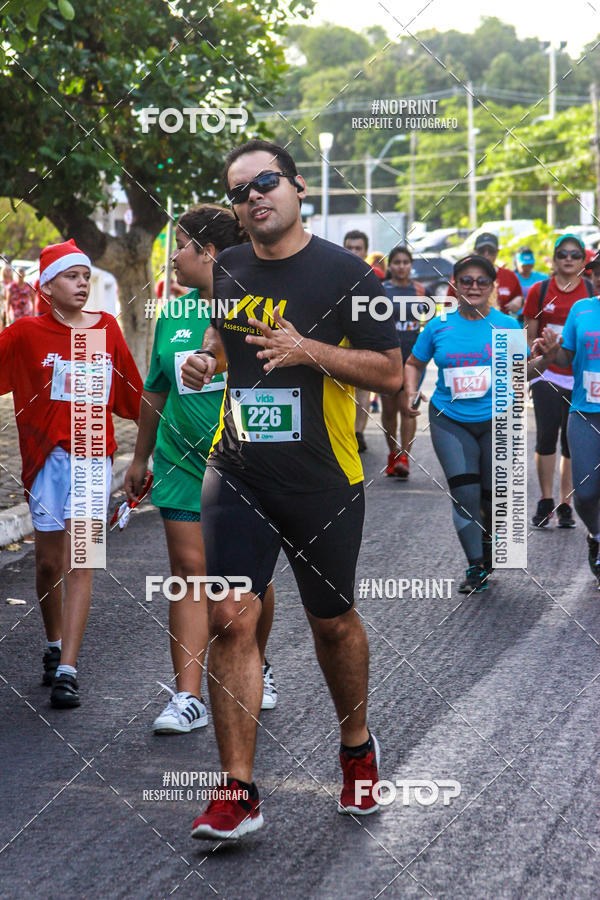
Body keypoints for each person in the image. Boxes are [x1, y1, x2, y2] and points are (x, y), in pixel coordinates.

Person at [182, 139, 403, 840]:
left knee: (331, 623)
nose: (254, 195)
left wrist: (310, 350)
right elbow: (225, 336)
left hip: (323, 480)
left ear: (298, 187)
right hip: (240, 468)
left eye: (266, 180)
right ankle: (238, 791)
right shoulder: (231, 269)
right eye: (240, 188)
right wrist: (204, 359)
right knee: (231, 619)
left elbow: (391, 373)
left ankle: (357, 749)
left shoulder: (350, 275)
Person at [125, 206, 277, 734]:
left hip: (246, 461)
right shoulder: (172, 313)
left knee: (243, 579)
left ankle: (255, 657)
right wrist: (139, 457)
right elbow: (157, 388)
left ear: (209, 252)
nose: (172, 258)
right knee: (189, 575)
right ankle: (187, 697)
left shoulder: (257, 306)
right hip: (179, 460)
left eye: (182, 246)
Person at [0, 239, 142, 708]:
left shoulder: (105, 329)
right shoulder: (24, 334)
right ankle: (54, 641)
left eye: (85, 276)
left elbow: (135, 399)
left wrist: (161, 446)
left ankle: (68, 669)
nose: (83, 284)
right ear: (47, 286)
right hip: (45, 462)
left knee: (83, 560)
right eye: (72, 276)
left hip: (91, 455)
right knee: (47, 564)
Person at [403, 255, 555, 594]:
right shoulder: (439, 325)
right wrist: (411, 391)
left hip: (498, 420)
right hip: (450, 420)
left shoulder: (506, 325)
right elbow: (413, 363)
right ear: (454, 284)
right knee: (464, 495)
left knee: (491, 498)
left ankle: (488, 542)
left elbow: (522, 375)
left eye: (481, 282)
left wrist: (548, 358)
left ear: (492, 286)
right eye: (466, 280)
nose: (473, 287)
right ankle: (475, 565)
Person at [523, 233, 594, 529]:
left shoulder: (590, 291)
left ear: (583, 262)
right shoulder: (539, 291)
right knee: (546, 436)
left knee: (571, 442)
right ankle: (545, 498)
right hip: (548, 373)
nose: (568, 258)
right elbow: (529, 335)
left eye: (575, 254)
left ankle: (566, 501)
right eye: (562, 253)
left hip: (580, 379)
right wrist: (536, 359)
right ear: (553, 259)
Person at [544, 254, 600, 585]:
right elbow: (567, 355)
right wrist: (553, 352)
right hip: (585, 412)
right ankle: (596, 534)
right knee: (587, 492)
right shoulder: (582, 310)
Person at [381, 245, 426, 478]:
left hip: (414, 361)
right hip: (387, 360)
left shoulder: (420, 291)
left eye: (405, 262)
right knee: (389, 411)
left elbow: (428, 326)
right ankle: (392, 455)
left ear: (411, 265)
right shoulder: (381, 290)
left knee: (409, 408)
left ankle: (404, 457)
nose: (401, 266)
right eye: (397, 262)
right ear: (390, 266)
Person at [343, 229, 373, 452]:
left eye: (358, 248)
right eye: (349, 247)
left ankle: (358, 433)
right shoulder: (331, 272)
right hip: (337, 335)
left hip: (363, 333)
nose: (353, 252)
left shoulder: (371, 276)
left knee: (362, 384)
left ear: (366, 251)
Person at [447, 233, 523, 316]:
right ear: (475, 251)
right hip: (467, 325)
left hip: (500, 327)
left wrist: (519, 300)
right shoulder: (460, 275)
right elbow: (448, 306)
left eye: (491, 251)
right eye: (481, 250)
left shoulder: (509, 276)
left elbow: (521, 299)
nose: (486, 254)